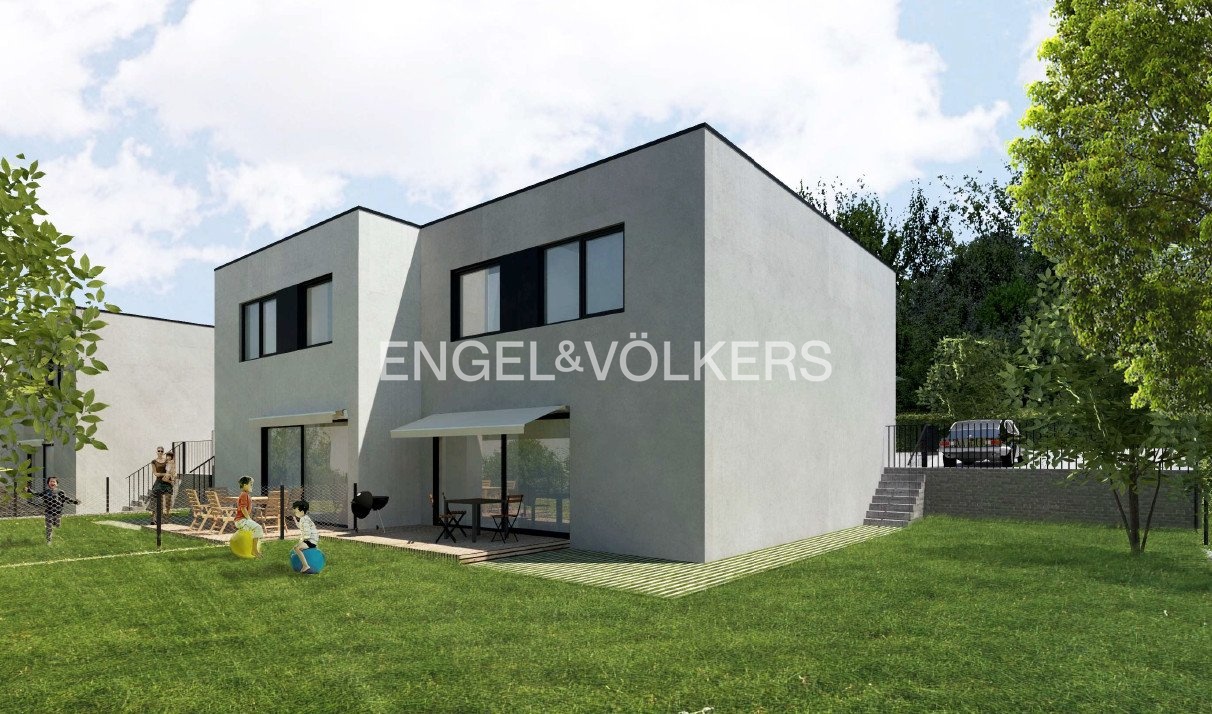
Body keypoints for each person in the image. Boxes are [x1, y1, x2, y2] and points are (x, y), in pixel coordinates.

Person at [27, 476, 80, 545]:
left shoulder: (60, 492)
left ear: (57, 484)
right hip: (49, 511)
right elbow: (38, 494)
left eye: (54, 481)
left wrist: (74, 502)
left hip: (58, 512)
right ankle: (49, 540)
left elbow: (66, 499)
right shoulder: (46, 492)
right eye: (50, 481)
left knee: (57, 525)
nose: (52, 483)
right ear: (48, 483)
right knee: (49, 526)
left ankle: (55, 523)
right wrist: (30, 490)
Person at [234, 476, 264, 558]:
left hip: (240, 521)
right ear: (244, 485)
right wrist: (249, 519)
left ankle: (250, 549)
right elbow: (243, 508)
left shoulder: (245, 495)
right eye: (250, 484)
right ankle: (254, 551)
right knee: (258, 528)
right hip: (241, 521)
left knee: (253, 532)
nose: (252, 486)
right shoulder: (244, 494)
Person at [291, 499, 320, 574]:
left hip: (310, 541)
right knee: (297, 547)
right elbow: (300, 526)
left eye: (296, 512)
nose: (295, 513)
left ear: (301, 511)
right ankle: (301, 559)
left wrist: (303, 540)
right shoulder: (303, 518)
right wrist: (295, 520)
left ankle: (305, 566)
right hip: (311, 540)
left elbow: (307, 532)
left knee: (297, 548)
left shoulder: (305, 520)